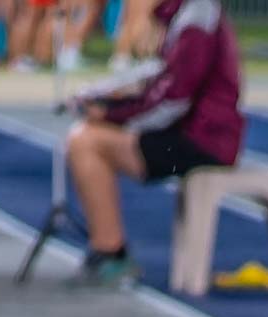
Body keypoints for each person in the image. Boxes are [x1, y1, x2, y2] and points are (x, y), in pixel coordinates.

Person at [63, 0, 244, 288]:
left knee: (86, 141)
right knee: (89, 133)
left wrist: (113, 115)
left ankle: (110, 251)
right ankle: (108, 248)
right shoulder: (184, 13)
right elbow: (161, 77)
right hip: (198, 133)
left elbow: (173, 100)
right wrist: (110, 99)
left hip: (204, 140)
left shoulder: (197, 15)